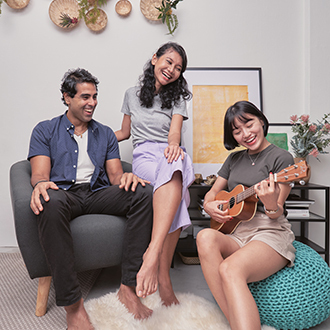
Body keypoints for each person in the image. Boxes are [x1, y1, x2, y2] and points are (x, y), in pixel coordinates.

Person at [28, 68, 154, 329]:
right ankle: (73, 306)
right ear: (67, 97)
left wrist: (127, 180)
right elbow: (39, 173)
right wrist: (41, 185)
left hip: (97, 193)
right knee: (49, 200)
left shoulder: (105, 133)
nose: (92, 103)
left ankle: (128, 287)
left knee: (142, 192)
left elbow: (116, 176)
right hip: (63, 194)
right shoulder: (45, 130)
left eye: (95, 97)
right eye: (85, 97)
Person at [196, 101, 296, 330]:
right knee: (203, 237)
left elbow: (276, 211)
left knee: (229, 269)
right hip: (237, 231)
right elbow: (211, 194)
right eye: (237, 131)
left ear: (261, 120)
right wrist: (209, 206)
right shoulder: (233, 160)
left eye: (248, 124)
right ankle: (237, 323)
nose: (245, 134)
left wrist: (270, 201)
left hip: (269, 232)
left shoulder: (283, 159)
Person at [115, 42, 195, 306]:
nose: (171, 70)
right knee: (179, 197)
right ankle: (164, 277)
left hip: (170, 153)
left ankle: (152, 254)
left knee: (176, 164)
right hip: (145, 156)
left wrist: (173, 146)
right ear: (154, 59)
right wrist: (93, 135)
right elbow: (124, 133)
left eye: (178, 68)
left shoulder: (179, 98)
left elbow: (175, 131)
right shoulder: (131, 94)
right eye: (168, 62)